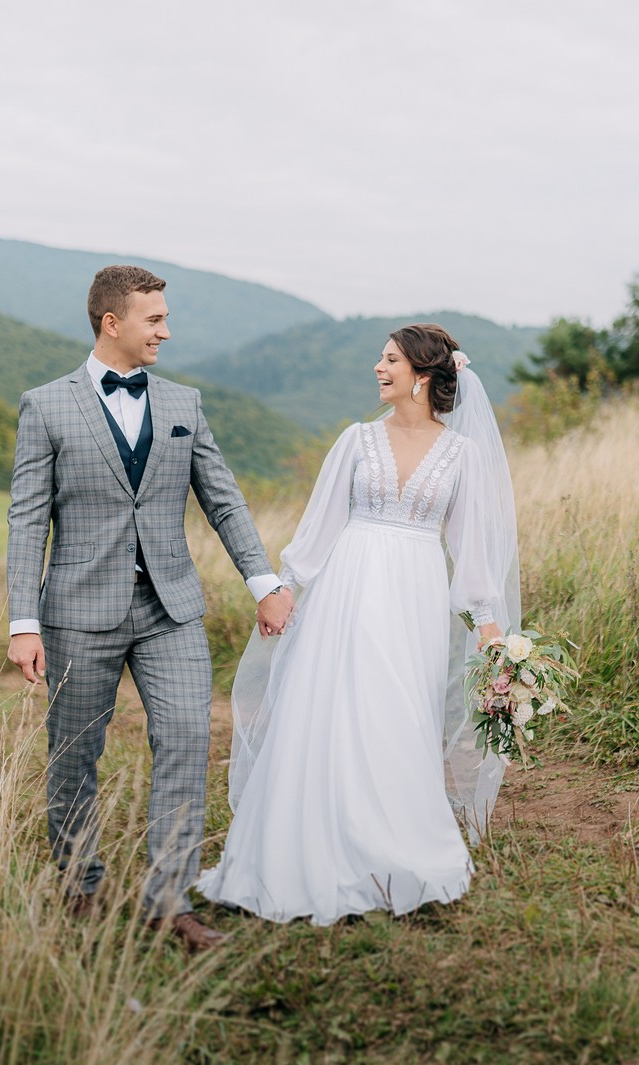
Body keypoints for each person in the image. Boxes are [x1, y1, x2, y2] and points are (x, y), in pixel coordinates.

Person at [6, 265, 295, 953]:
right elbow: (26, 520)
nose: (166, 330)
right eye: (154, 319)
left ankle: (169, 900)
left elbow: (222, 498)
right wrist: (24, 620)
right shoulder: (45, 406)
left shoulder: (183, 404)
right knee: (74, 753)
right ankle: (80, 885)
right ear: (113, 322)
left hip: (172, 608)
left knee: (187, 742)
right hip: (77, 610)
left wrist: (264, 581)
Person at [195, 323, 520, 925]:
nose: (378, 367)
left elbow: (472, 558)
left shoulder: (463, 455)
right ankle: (314, 842)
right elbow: (318, 529)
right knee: (333, 710)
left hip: (414, 602)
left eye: (390, 360)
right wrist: (285, 590)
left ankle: (390, 847)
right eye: (380, 358)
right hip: (345, 593)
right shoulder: (354, 441)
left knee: (395, 713)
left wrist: (493, 637)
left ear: (422, 375)